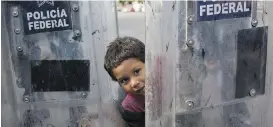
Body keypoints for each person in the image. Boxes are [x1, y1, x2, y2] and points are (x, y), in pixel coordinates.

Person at [104, 36, 145, 127]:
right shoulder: (130, 107)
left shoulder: (166, 76)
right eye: (125, 80)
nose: (134, 83)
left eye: (137, 71)